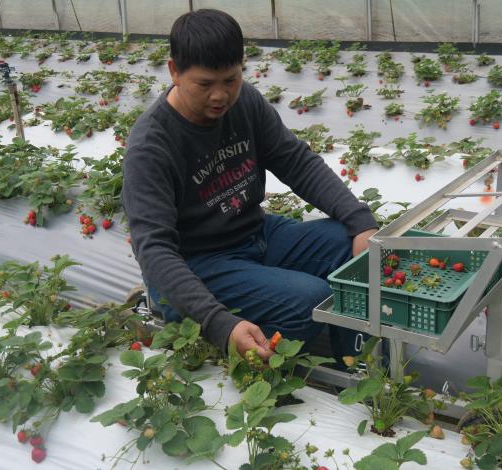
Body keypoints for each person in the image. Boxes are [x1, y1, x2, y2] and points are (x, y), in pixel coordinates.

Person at [122, 9, 378, 362]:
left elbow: (296, 161)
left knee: (355, 251)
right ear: (174, 72)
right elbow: (155, 250)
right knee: (311, 299)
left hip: (254, 234)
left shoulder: (246, 103)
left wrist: (360, 221)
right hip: (197, 261)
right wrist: (219, 323)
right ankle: (255, 366)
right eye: (205, 84)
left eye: (230, 79)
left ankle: (356, 369)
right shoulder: (152, 145)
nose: (220, 96)